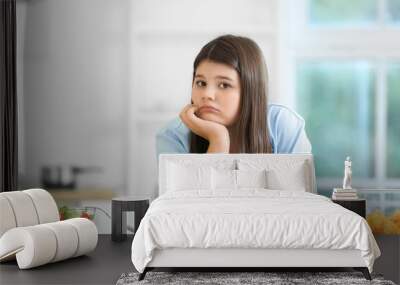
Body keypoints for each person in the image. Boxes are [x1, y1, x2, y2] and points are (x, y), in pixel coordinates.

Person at [156, 34, 311, 162]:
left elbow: (301, 196)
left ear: (250, 90)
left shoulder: (282, 124)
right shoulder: (173, 136)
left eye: (224, 85)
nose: (207, 94)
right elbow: (189, 200)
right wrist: (218, 139)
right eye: (201, 83)